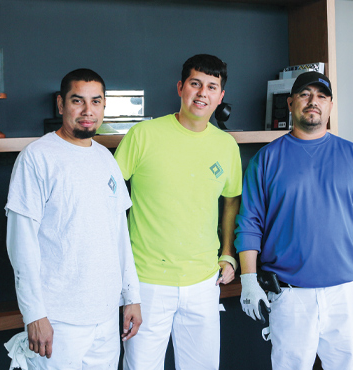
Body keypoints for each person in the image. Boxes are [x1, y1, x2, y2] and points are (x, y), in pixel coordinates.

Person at [235, 71, 353, 370]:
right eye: (305, 95)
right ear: (291, 102)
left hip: (345, 293)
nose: (314, 102)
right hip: (290, 296)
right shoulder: (267, 159)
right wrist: (248, 280)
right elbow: (249, 223)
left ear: (330, 106)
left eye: (321, 96)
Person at [5, 68, 142, 369]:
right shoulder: (37, 157)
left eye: (96, 102)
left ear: (105, 105)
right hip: (57, 319)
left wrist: (131, 297)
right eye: (77, 101)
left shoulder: (106, 158)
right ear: (60, 104)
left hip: (106, 318)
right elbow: (21, 244)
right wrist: (34, 314)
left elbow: (119, 236)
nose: (87, 111)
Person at [114, 54, 242, 370]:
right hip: (147, 282)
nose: (202, 93)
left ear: (221, 96)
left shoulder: (227, 146)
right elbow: (109, 200)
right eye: (195, 84)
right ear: (180, 87)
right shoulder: (142, 136)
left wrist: (227, 252)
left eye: (212, 87)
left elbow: (231, 199)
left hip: (203, 282)